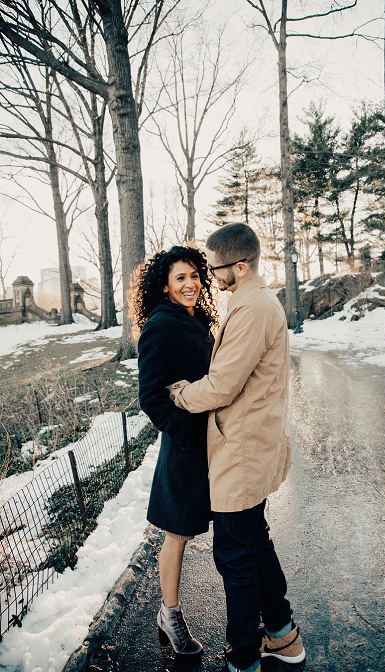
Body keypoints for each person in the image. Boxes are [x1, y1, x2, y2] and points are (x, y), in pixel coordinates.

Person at [167, 223, 303, 672]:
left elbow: (223, 385)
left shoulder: (252, 309)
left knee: (234, 556)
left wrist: (181, 393)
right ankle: (282, 636)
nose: (210, 276)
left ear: (240, 267)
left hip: (242, 451)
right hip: (249, 443)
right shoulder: (252, 302)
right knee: (255, 544)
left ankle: (244, 656)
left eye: (215, 267)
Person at [134, 245, 219, 657]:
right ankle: (169, 615)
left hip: (217, 445)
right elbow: (150, 396)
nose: (190, 284)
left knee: (236, 530)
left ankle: (250, 612)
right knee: (178, 535)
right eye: (180, 278)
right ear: (165, 286)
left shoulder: (199, 319)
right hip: (186, 448)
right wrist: (187, 432)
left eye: (194, 276)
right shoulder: (160, 326)